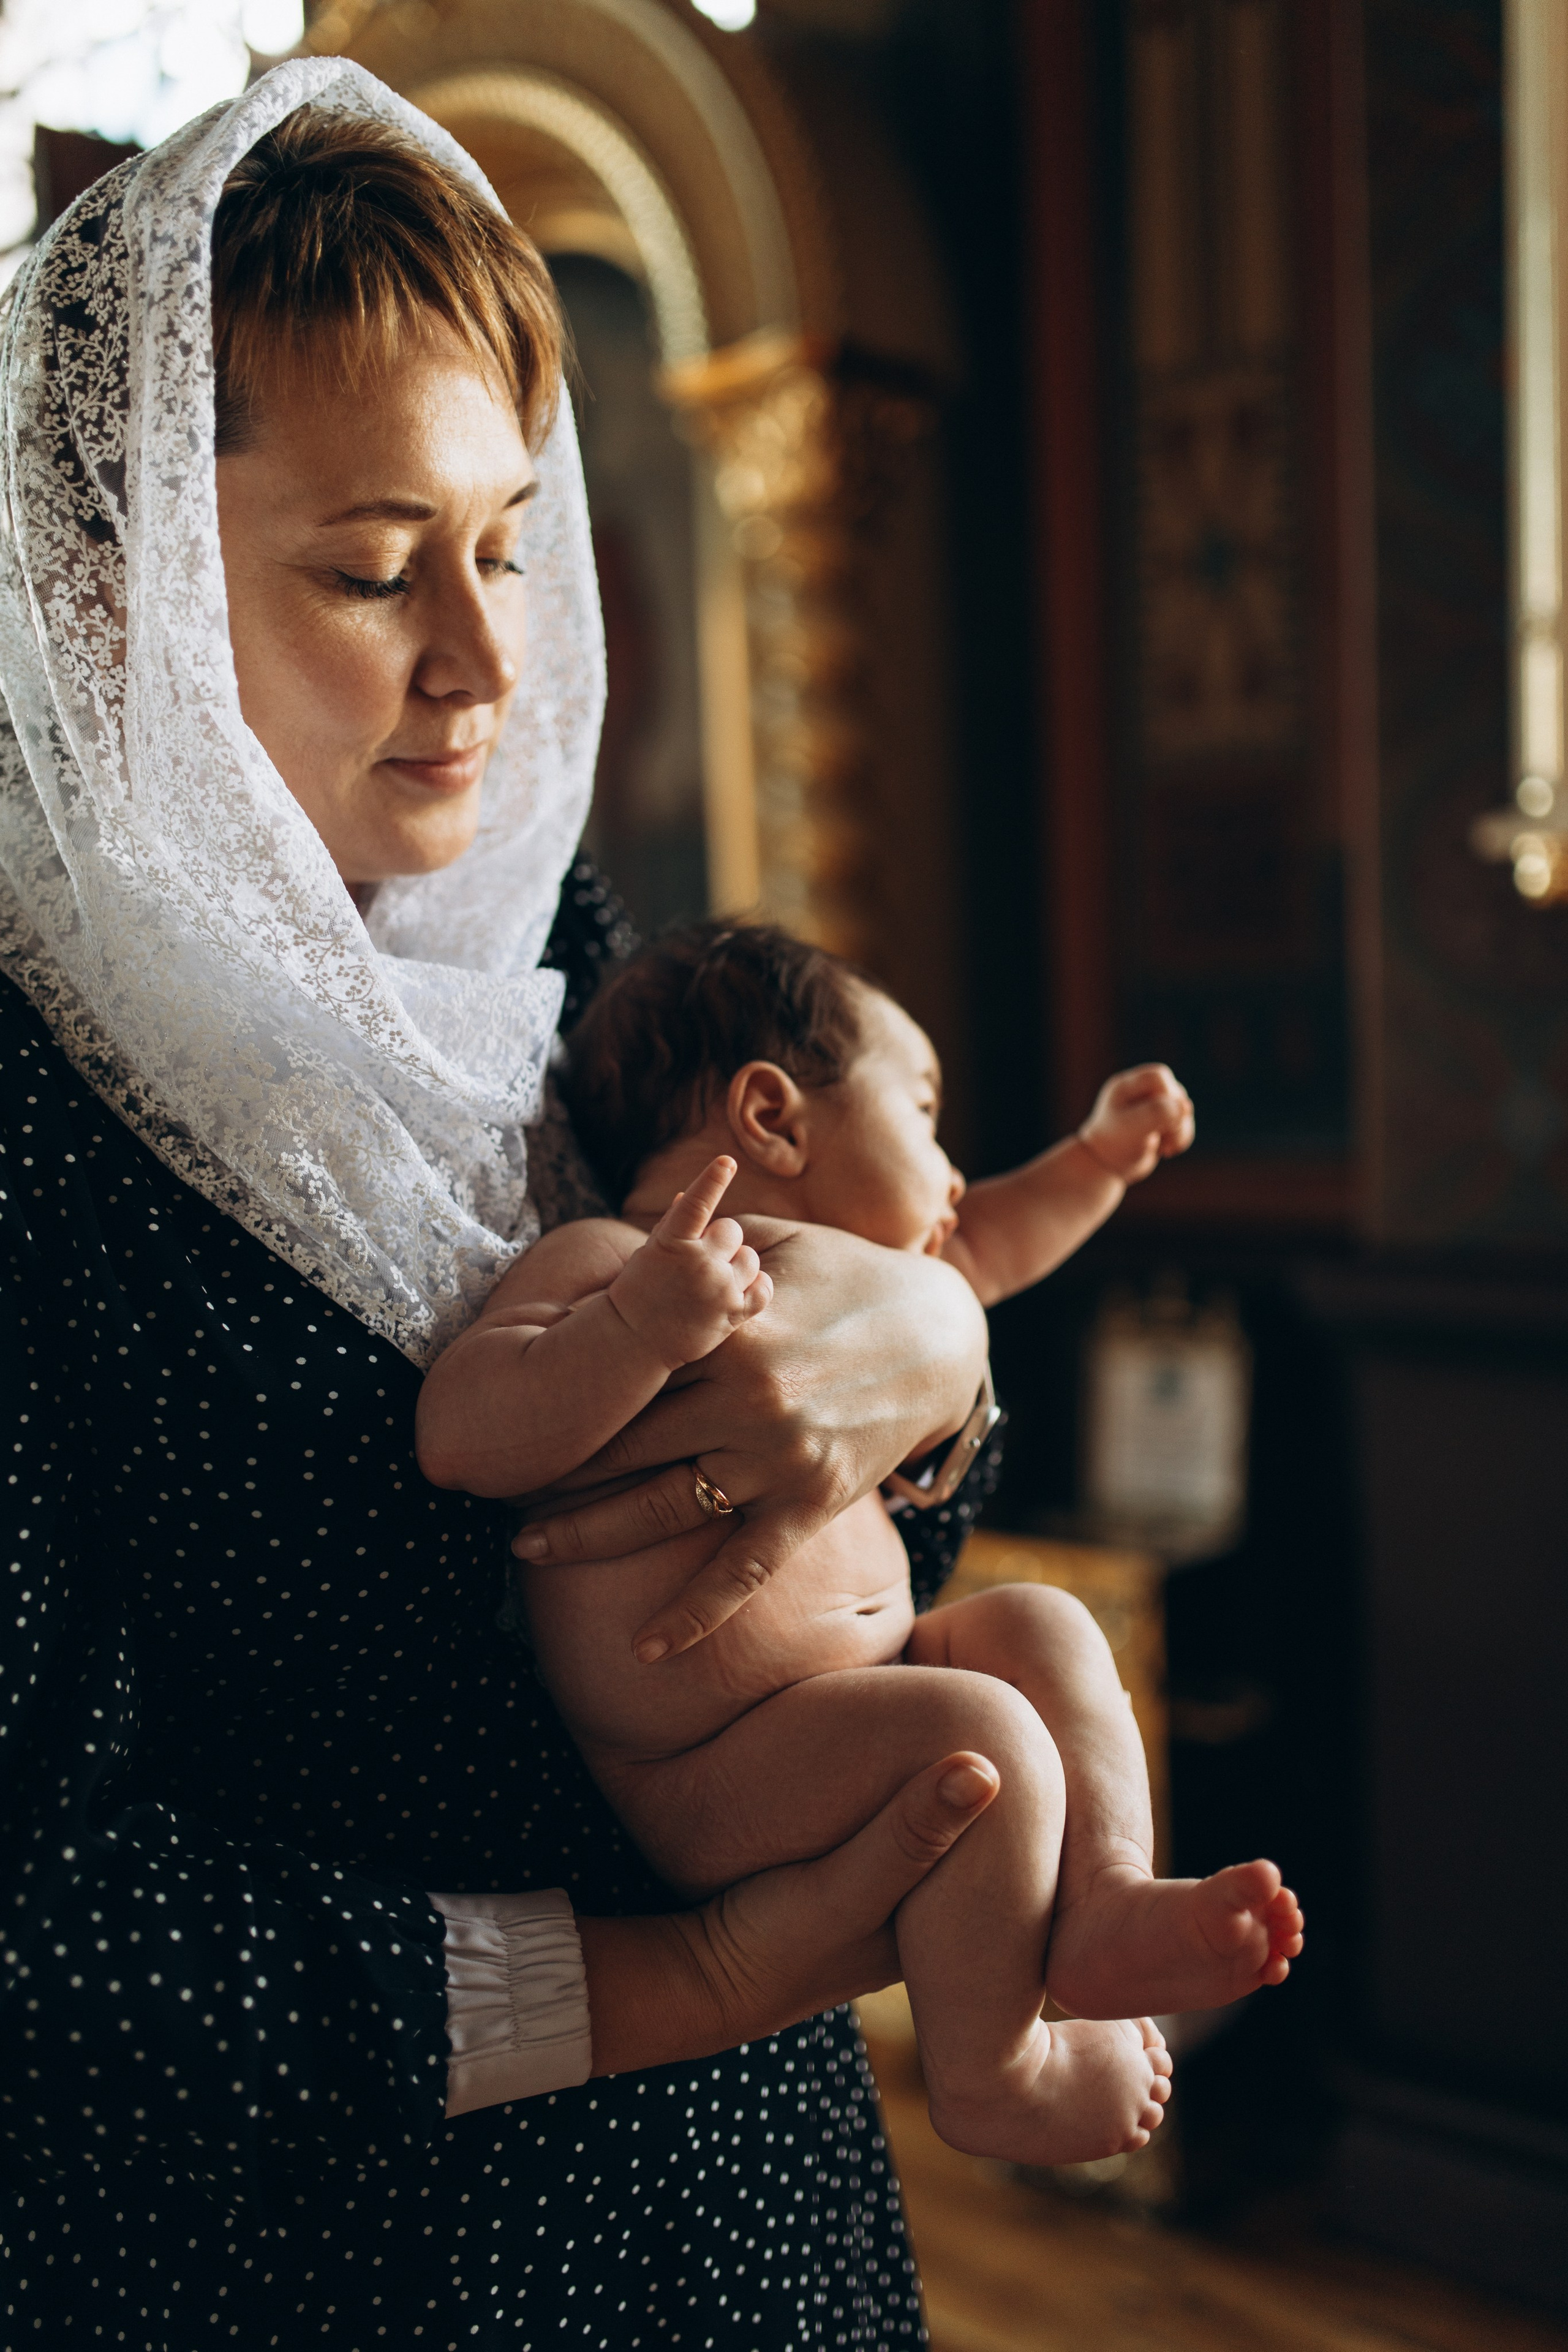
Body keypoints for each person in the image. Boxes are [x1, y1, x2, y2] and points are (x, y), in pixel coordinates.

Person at [0, 62, 1009, 2347]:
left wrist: (932, 1362)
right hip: (323, 2276)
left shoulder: (566, 974)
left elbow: (840, 1557)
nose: (482, 659)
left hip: (765, 2230)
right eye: (373, 570)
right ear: (113, 594)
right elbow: (35, 1924)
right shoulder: (30, 1111)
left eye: (510, 542)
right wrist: (670, 1976)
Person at [418, 923, 1305, 2167]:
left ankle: (1103, 1897)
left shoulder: (868, 1280)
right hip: (702, 1767)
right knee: (983, 1740)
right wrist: (634, 1331)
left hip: (861, 1688)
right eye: (924, 1113)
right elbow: (463, 1434)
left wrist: (1097, 1161)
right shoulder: (607, 1264)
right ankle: (992, 2071)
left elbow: (987, 1246)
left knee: (1043, 1626)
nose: (950, 1172)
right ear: (772, 1117)